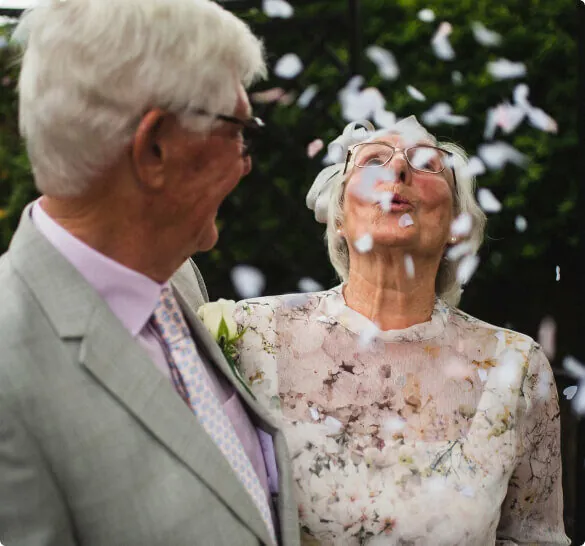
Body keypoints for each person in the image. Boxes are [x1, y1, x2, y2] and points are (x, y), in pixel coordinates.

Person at [0, 1, 300, 545]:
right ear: (155, 147)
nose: (246, 161)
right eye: (238, 131)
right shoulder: (9, 370)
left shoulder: (174, 276)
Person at [223, 117, 570, 545]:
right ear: (339, 219)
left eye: (426, 163)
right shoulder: (252, 333)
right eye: (373, 161)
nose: (399, 171)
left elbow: (535, 538)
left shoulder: (516, 366)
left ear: (456, 228)